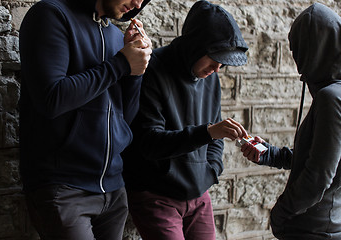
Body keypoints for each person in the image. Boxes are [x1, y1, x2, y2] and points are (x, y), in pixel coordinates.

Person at [18, 0, 152, 239]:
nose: (137, 3)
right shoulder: (51, 15)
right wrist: (121, 64)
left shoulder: (114, 36)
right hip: (64, 187)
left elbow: (125, 117)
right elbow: (52, 99)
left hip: (113, 189)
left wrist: (135, 73)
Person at [122, 1, 248, 239]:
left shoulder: (210, 78)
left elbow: (215, 137)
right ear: (195, 46)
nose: (217, 68)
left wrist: (211, 170)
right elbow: (149, 142)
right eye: (214, 59)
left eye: (222, 61)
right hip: (155, 194)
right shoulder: (152, 70)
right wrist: (208, 132)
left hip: (199, 195)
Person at [240, 3, 341, 239]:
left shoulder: (332, 97)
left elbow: (320, 175)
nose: (297, 62)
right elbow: (326, 158)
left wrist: (281, 213)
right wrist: (272, 154)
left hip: (312, 229)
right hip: (326, 225)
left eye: (297, 50)